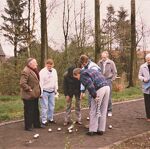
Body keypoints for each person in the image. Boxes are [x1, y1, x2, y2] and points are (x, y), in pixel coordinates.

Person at [73, 68, 110, 136]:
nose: (78, 79)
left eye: (76, 77)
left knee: (94, 109)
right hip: (107, 87)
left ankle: (92, 130)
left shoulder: (82, 75)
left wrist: (94, 96)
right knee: (103, 109)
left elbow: (89, 85)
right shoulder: (90, 70)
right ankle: (101, 129)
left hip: (99, 88)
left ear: (78, 74)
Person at [20, 58, 41, 131]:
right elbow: (22, 83)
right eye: (35, 63)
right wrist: (29, 89)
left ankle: (36, 124)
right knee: (29, 111)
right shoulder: (26, 71)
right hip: (28, 95)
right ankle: (28, 126)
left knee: (35, 110)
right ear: (30, 64)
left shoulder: (33, 70)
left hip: (35, 95)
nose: (37, 64)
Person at [39, 59, 58, 127]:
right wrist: (40, 93)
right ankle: (44, 120)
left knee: (52, 106)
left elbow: (56, 80)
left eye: (51, 66)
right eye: (48, 66)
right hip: (45, 91)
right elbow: (40, 83)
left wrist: (56, 89)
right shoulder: (42, 72)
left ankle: (51, 118)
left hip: (52, 91)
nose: (49, 67)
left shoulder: (54, 71)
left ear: (53, 65)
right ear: (46, 65)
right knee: (45, 106)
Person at [98, 51, 117, 117]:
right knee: (101, 96)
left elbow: (115, 72)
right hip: (101, 81)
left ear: (107, 56)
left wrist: (111, 80)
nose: (103, 58)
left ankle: (109, 110)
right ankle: (102, 110)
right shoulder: (99, 62)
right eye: (102, 57)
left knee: (108, 96)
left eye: (104, 57)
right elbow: (98, 71)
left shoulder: (111, 63)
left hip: (108, 80)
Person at [138, 53, 150, 122]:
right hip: (146, 87)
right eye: (148, 60)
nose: (149, 61)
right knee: (147, 102)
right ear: (146, 60)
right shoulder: (142, 67)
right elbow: (139, 76)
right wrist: (143, 79)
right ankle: (148, 116)